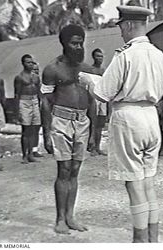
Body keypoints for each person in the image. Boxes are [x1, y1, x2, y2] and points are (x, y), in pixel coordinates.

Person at [80, 5, 163, 243]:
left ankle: (139, 241)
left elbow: (103, 93)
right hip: (151, 116)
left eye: (121, 27)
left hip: (128, 117)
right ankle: (153, 239)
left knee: (134, 183)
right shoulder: (158, 54)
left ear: (128, 25)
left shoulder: (125, 55)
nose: (120, 32)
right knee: (148, 181)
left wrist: (89, 80)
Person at [41, 24, 95, 234]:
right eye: (74, 43)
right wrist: (46, 133)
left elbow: (92, 100)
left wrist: (95, 133)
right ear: (64, 43)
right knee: (63, 170)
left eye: (81, 42)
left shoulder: (87, 69)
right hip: (61, 121)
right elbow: (45, 101)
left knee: (75, 171)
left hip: (82, 122)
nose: (78, 46)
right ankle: (60, 219)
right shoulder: (52, 69)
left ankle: (71, 216)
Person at [14, 54, 41, 164]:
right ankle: (24, 155)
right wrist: (17, 112)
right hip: (24, 102)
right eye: (28, 62)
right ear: (23, 63)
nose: (30, 64)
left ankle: (31, 154)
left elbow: (39, 92)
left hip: (34, 101)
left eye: (32, 62)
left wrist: (39, 104)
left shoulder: (36, 77)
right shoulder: (19, 77)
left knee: (34, 129)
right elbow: (17, 94)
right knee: (26, 130)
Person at [89, 48, 107, 156]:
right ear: (93, 57)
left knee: (101, 124)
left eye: (101, 56)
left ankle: (98, 147)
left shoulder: (104, 71)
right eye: (97, 56)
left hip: (103, 98)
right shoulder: (90, 70)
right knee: (93, 123)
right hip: (94, 98)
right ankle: (92, 148)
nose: (100, 58)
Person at [31, 62, 44, 158]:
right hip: (27, 103)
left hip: (37, 105)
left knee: (36, 128)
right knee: (28, 129)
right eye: (34, 70)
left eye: (37, 70)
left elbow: (41, 95)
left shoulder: (38, 82)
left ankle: (34, 149)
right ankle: (28, 150)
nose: (36, 72)